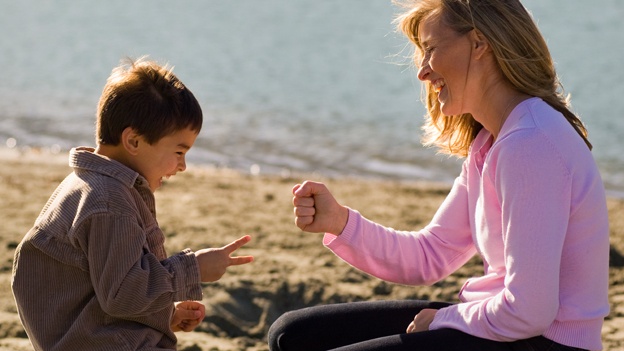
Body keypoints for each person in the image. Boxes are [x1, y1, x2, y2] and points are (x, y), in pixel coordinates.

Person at [268, 0, 609, 350]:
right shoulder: (491, 142)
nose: (423, 71)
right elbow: (431, 254)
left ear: (479, 43)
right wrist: (340, 222)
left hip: (545, 342)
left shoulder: (531, 143)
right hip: (512, 329)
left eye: (431, 49)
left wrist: (444, 318)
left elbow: (529, 311)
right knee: (290, 334)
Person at [11, 57, 254, 350]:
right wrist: (194, 269)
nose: (183, 166)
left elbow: (104, 288)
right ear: (134, 142)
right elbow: (123, 293)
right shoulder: (109, 202)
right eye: (179, 151)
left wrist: (164, 315)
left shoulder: (89, 184)